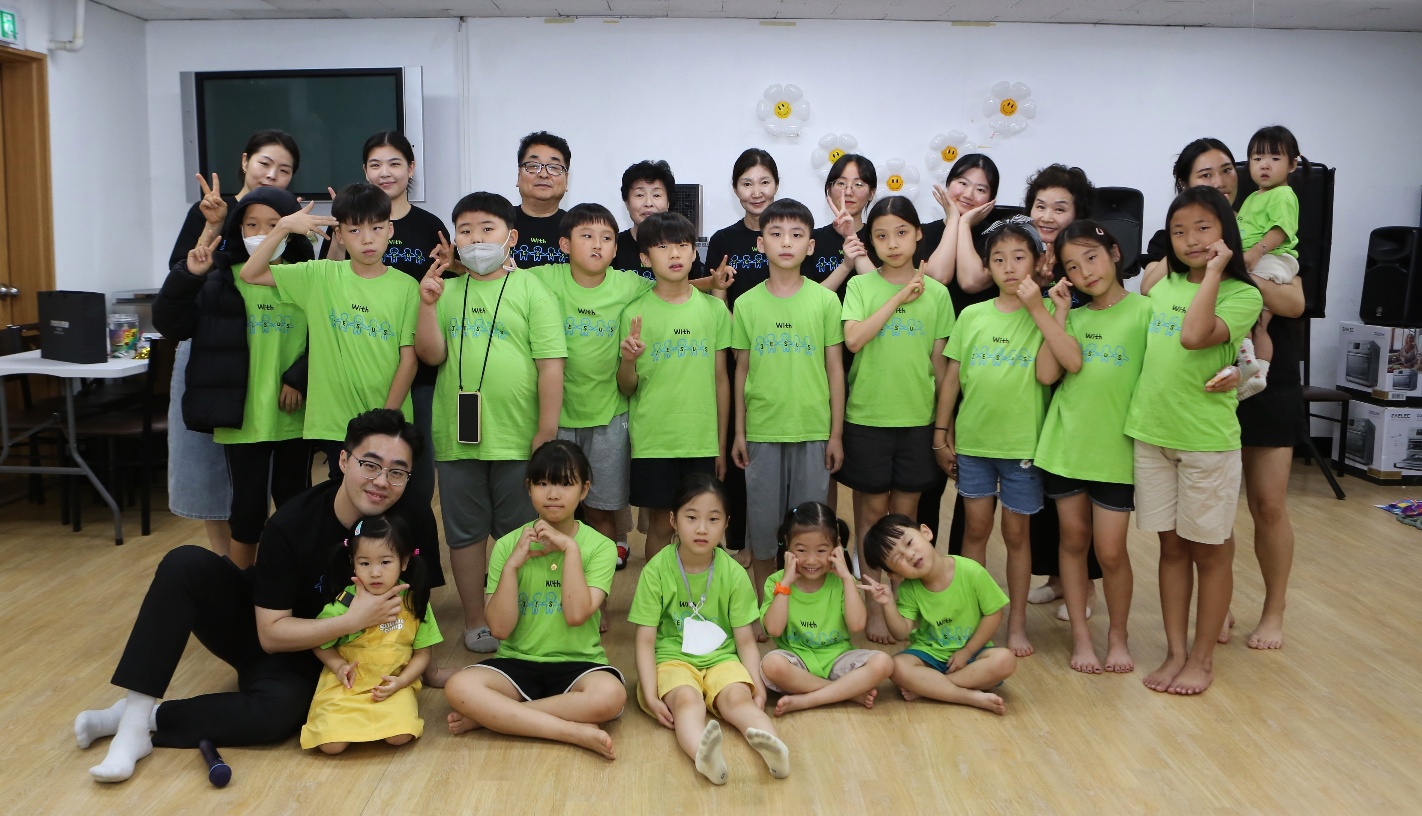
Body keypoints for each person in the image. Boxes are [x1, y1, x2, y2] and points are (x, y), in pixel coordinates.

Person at [74, 409, 440, 782]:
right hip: (273, 632)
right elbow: (270, 634)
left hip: (333, 662)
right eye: (370, 465)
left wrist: (429, 668)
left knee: (278, 714)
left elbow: (419, 605)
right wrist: (353, 620)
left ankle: (143, 718)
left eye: (397, 472)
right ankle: (133, 725)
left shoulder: (413, 519)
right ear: (344, 461)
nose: (382, 481)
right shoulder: (292, 522)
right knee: (185, 563)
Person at [1145, 138, 1305, 651]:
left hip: (1264, 379)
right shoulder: (1182, 237)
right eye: (1204, 174)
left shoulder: (1260, 230)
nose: (1219, 180)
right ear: (1184, 185)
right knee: (1209, 517)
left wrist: (1239, 265)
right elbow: (1152, 286)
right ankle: (1222, 607)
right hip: (1198, 391)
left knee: (1268, 504)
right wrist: (1203, 251)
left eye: (1225, 170)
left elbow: (1294, 303)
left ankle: (1274, 610)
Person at [415, 191, 566, 655]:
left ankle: (516, 615)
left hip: (518, 437)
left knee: (520, 534)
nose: (476, 239)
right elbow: (431, 355)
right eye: (465, 231)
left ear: (510, 237)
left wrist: (546, 432)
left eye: (487, 229)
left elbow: (551, 366)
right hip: (457, 437)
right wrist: (426, 305)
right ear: (454, 241)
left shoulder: (532, 289)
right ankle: (476, 619)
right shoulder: (445, 291)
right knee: (465, 534)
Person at [1127, 186, 1262, 695]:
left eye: (1203, 228)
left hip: (1206, 440)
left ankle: (1202, 658)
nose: (1191, 240)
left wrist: (1213, 273)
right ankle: (1175, 652)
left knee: (1211, 551)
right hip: (1152, 433)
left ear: (1226, 230)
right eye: (1179, 231)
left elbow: (1193, 336)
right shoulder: (1160, 286)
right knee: (1171, 548)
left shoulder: (1242, 293)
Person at [152, 186, 313, 569]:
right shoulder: (221, 280)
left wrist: (299, 377)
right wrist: (188, 275)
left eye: (273, 224)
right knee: (246, 512)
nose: (261, 232)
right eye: (251, 224)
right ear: (238, 228)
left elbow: (325, 338)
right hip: (242, 419)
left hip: (295, 417)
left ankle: (293, 586)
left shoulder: (305, 278)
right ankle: (242, 589)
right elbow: (171, 323)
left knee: (295, 506)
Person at [444, 440, 626, 759]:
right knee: (458, 686)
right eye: (542, 483)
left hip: (579, 663)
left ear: (584, 489)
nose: (552, 494)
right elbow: (499, 629)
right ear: (528, 488)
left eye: (565, 484)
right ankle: (571, 731)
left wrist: (570, 550)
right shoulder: (508, 545)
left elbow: (576, 615)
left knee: (611, 696)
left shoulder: (601, 547)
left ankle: (497, 717)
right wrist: (512, 566)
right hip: (516, 663)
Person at [239, 182, 419, 482]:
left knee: (387, 501)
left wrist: (386, 419)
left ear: (390, 229)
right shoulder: (319, 276)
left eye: (376, 228)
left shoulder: (407, 287)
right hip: (335, 424)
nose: (367, 239)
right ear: (339, 234)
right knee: (341, 501)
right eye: (354, 230)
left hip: (389, 422)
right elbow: (251, 273)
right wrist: (283, 227)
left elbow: (409, 359)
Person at [1032, 221, 1151, 673]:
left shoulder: (1146, 311)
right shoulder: (1073, 317)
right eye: (1072, 267)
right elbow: (1047, 374)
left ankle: (1117, 637)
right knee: (1073, 540)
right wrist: (1060, 315)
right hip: (1066, 447)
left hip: (1116, 451)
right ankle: (1081, 638)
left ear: (1114, 253)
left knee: (1112, 551)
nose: (1085, 272)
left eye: (1092, 258)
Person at [933, 218, 1052, 658]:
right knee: (976, 530)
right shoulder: (972, 315)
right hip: (974, 445)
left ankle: (1016, 623)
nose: (1009, 267)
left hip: (1022, 446)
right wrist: (941, 433)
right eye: (998, 259)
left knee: (1017, 536)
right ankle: (971, 619)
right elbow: (951, 380)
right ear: (986, 266)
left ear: (1037, 262)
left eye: (1019, 257)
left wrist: (1044, 308)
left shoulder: (1045, 313)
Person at [839, 196, 955, 644]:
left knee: (906, 523)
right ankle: (874, 605)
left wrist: (944, 427)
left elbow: (941, 367)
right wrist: (898, 298)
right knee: (870, 517)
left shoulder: (938, 294)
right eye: (881, 235)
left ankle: (902, 608)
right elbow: (853, 340)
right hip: (868, 418)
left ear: (919, 234)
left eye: (902, 233)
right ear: (870, 241)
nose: (892, 243)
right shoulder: (861, 287)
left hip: (917, 421)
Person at [628, 474, 790, 785]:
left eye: (713, 519)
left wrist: (757, 688)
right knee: (687, 702)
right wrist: (650, 694)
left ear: (726, 523)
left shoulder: (733, 572)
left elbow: (745, 641)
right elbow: (645, 641)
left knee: (738, 699)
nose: (702, 528)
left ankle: (774, 748)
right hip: (673, 660)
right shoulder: (656, 570)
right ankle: (704, 756)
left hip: (722, 659)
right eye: (691, 517)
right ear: (673, 520)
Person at [325, 131, 452, 509]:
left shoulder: (429, 224)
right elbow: (328, 282)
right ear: (365, 170)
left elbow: (447, 283)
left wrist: (456, 264)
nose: (385, 172)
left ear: (411, 168)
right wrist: (338, 233)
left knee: (414, 471)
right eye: (376, 164)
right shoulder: (346, 224)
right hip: (362, 363)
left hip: (419, 366)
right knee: (358, 470)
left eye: (395, 163)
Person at [730, 198, 845, 610]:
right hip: (762, 431)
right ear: (760, 243)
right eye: (775, 234)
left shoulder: (825, 301)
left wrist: (836, 434)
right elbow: (741, 371)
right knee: (762, 529)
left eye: (796, 235)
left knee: (811, 530)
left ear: (810, 246)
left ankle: (807, 609)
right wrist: (739, 432)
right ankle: (767, 605)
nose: (785, 242)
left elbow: (835, 370)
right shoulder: (746, 304)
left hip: (813, 430)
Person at [618, 211, 731, 565]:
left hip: (701, 439)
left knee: (703, 526)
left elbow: (721, 379)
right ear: (644, 258)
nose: (674, 254)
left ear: (695, 253)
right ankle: (658, 595)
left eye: (682, 245)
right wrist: (627, 361)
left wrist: (720, 443)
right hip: (654, 439)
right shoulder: (634, 313)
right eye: (662, 247)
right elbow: (626, 387)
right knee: (660, 526)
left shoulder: (714, 310)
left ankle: (700, 595)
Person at [300, 514, 440, 754]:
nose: (375, 572)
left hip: (391, 686)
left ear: (404, 561)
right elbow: (319, 642)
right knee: (331, 745)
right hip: (346, 686)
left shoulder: (414, 602)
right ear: (352, 562)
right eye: (365, 563)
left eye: (385, 562)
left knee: (400, 736)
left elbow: (422, 653)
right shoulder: (344, 602)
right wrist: (338, 666)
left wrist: (402, 681)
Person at [857, 514, 1016, 713]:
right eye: (898, 558)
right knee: (896, 666)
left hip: (974, 652)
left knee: (1005, 660)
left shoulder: (971, 570)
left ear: (926, 532)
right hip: (930, 655)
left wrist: (967, 652)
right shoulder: (909, 589)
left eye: (909, 543)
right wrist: (888, 603)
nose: (910, 555)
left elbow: (994, 614)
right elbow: (901, 633)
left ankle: (932, 688)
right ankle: (966, 696)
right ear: (895, 575)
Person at [706, 148, 777, 558]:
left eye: (764, 182)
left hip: (782, 356)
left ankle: (774, 541)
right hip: (737, 356)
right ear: (735, 189)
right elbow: (716, 299)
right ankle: (738, 542)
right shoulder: (723, 240)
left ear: (776, 185)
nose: (756, 191)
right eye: (747, 183)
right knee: (739, 447)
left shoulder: (788, 233)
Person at [759, 502, 894, 715]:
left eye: (821, 550)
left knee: (884, 662)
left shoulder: (842, 582)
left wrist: (847, 578)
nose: (811, 560)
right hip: (797, 663)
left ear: (836, 547)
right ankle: (844, 692)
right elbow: (774, 630)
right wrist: (785, 584)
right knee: (772, 665)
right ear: (788, 546)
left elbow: (857, 625)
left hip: (837, 660)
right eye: (801, 550)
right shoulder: (777, 582)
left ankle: (808, 699)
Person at [1235, 125, 1305, 399]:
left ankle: (1248, 364)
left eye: (1275, 158)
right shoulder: (1254, 197)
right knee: (1259, 322)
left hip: (1272, 258)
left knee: (1244, 312)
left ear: (1292, 165)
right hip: (1264, 259)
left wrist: (1257, 251)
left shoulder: (1283, 195)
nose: (1265, 165)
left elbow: (1281, 230)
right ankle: (1259, 374)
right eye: (1257, 158)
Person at [613, 159, 706, 281]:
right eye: (640, 195)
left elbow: (691, 288)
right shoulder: (614, 246)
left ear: (668, 202)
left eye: (656, 195)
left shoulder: (682, 247)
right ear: (627, 203)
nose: (648, 203)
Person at [803, 153, 876, 295]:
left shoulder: (879, 238)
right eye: (841, 183)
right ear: (829, 189)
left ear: (871, 193)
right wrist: (845, 266)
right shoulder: (811, 240)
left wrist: (851, 236)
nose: (848, 192)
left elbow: (882, 292)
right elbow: (809, 301)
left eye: (858, 184)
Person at [511, 131, 572, 267]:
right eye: (533, 166)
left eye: (554, 167)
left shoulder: (578, 228)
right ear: (519, 176)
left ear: (566, 180)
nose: (543, 174)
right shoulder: (497, 223)